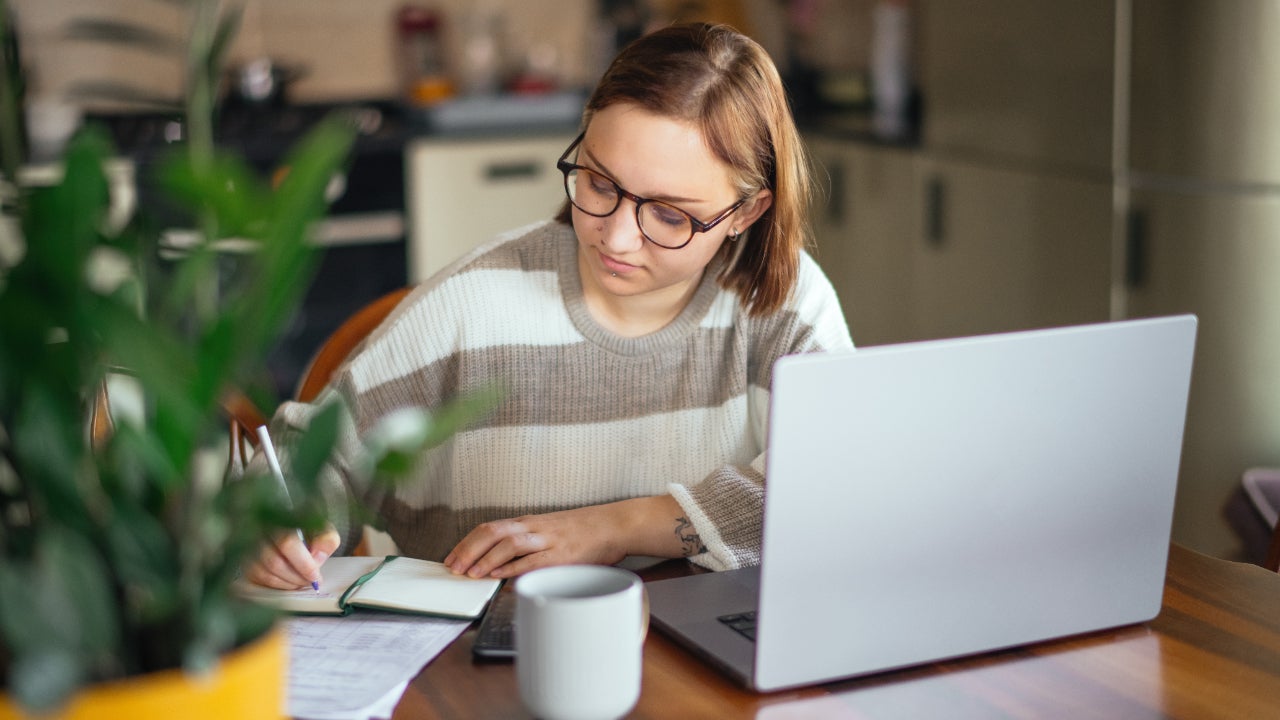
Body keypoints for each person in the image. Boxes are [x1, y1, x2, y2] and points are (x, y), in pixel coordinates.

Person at [244, 22, 854, 591]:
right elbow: (305, 460)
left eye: (669, 215)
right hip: (477, 670)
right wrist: (277, 525)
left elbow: (838, 485)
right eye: (599, 183)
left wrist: (616, 527)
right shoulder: (472, 309)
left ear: (747, 212)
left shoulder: (787, 305)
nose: (615, 238)